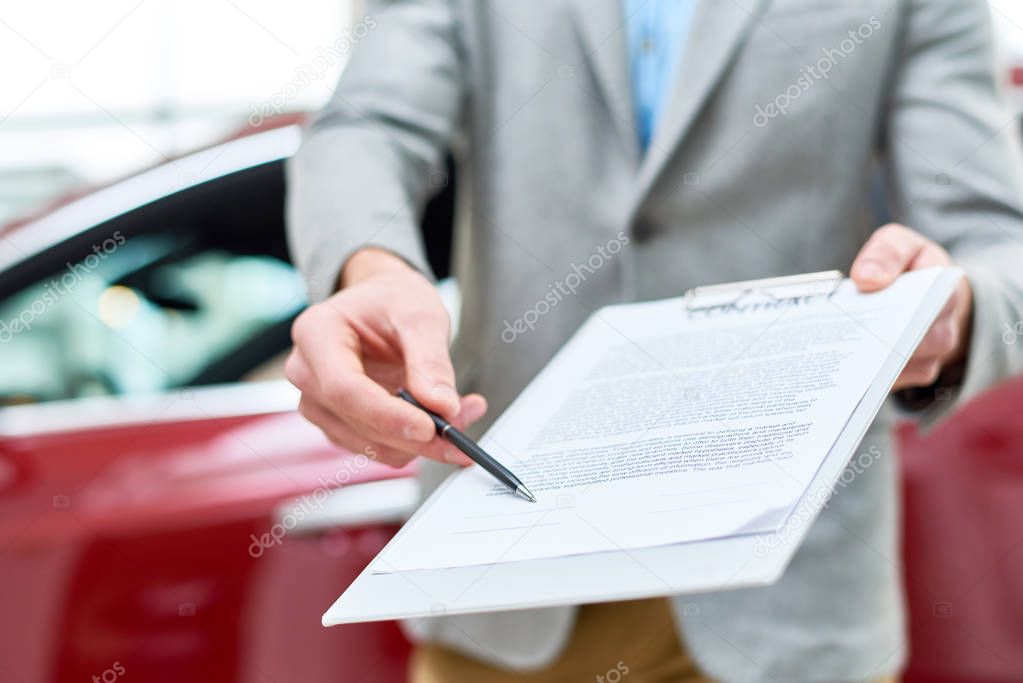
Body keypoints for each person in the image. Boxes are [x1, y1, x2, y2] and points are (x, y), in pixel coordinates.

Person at [285, 0, 1023, 680]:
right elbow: (365, 125)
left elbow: (998, 244)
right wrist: (369, 265)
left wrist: (951, 308)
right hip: (506, 594)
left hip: (791, 610)